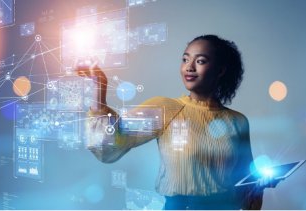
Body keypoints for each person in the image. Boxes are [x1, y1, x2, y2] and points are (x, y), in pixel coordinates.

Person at [78, 34, 266, 210]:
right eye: (185, 59)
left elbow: (247, 185)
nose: (189, 67)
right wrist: (98, 84)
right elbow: (108, 144)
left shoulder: (238, 121)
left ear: (220, 70)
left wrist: (260, 184)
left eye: (200, 61)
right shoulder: (165, 108)